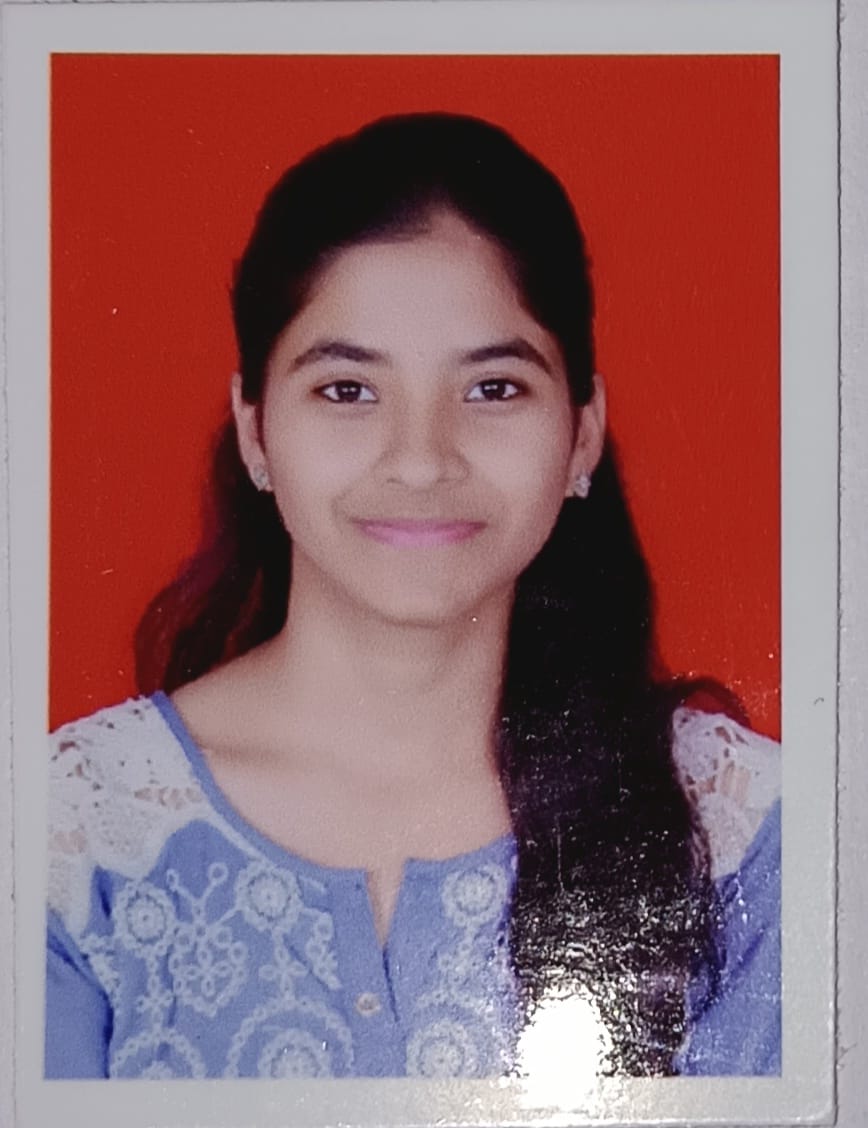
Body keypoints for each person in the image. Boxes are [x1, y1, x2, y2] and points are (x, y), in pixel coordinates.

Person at [45, 113, 780, 1081]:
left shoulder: (745, 832)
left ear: (583, 435)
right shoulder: (68, 836)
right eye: (348, 389)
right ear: (256, 432)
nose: (422, 460)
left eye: (494, 388)